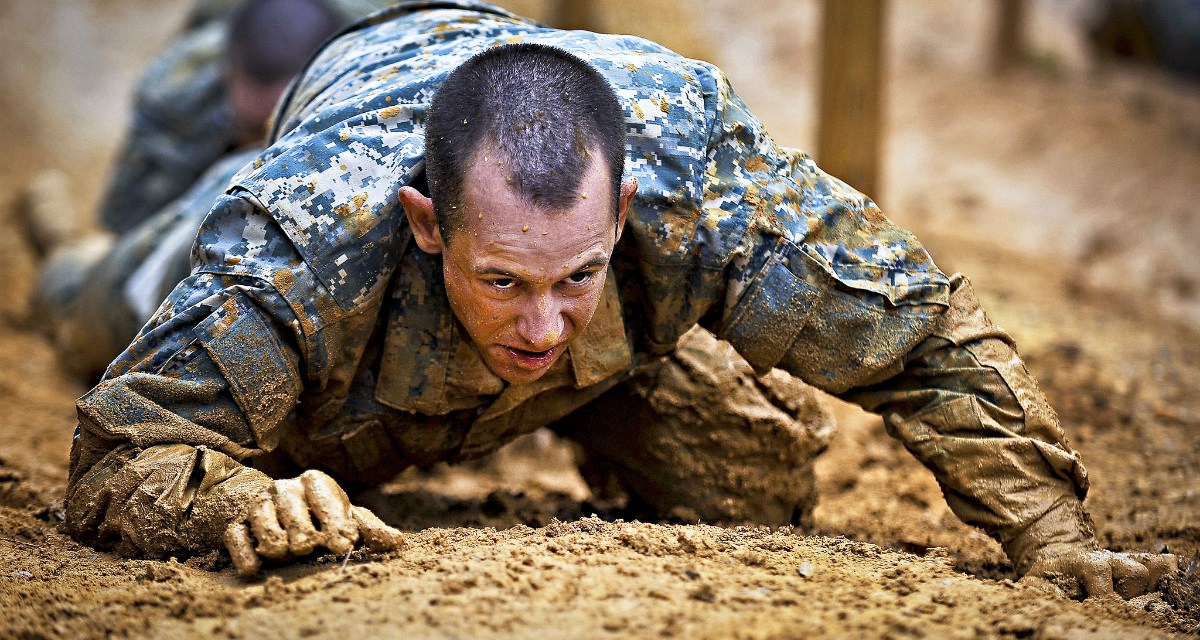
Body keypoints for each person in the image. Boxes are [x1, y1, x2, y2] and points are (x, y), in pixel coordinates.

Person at [64, 0, 1176, 597]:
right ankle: (60, 246)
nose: (544, 325)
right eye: (502, 278)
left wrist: (1049, 527)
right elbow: (122, 449)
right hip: (343, 189)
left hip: (545, 154)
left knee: (749, 470)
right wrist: (226, 500)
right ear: (428, 225)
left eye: (578, 275)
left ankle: (577, 326)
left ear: (630, 209)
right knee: (104, 303)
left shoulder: (708, 184)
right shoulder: (306, 244)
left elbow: (920, 328)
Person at [29, 0, 390, 380]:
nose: (264, 145)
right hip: (204, 196)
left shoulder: (389, 73)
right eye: (254, 128)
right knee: (96, 287)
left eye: (279, 126)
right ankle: (62, 249)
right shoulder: (179, 92)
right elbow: (130, 235)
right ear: (227, 72)